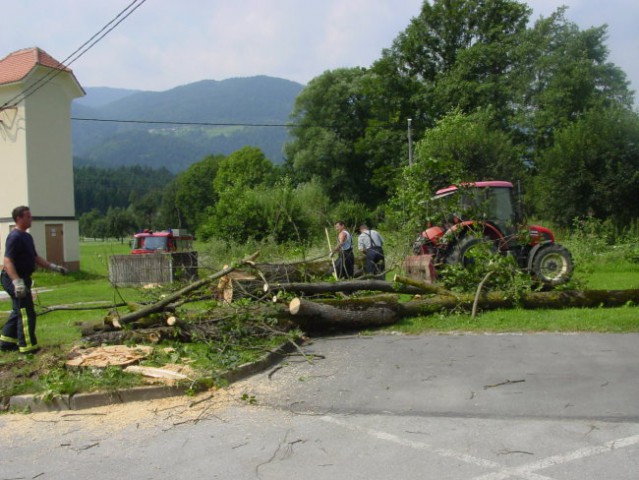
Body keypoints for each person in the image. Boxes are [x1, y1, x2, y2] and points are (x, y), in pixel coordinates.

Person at [0, 206, 67, 354]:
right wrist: (17, 282)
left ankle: (5, 342)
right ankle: (27, 347)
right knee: (26, 312)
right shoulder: (14, 236)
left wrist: (54, 267)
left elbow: (35, 258)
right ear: (19, 219)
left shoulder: (27, 237)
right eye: (28, 217)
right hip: (14, 279)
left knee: (18, 311)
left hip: (24, 278)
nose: (31, 219)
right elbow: (7, 261)